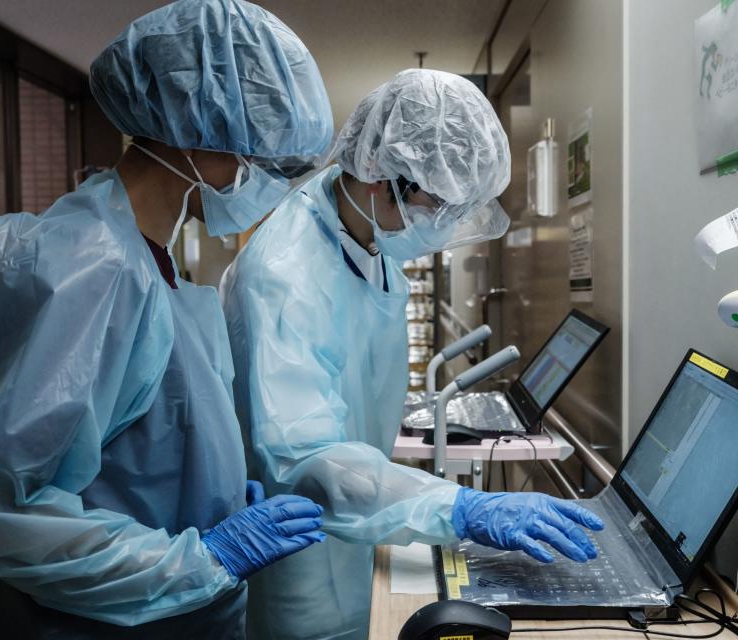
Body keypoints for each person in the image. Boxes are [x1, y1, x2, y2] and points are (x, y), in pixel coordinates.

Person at [0, 1, 333, 638]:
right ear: (195, 132)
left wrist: (216, 497)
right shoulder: (93, 266)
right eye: (259, 154)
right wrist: (204, 556)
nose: (267, 179)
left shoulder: (151, 261)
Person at [221, 69, 606, 640]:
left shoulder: (364, 236)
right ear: (380, 173)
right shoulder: (284, 276)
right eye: (440, 202)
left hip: (362, 522)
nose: (445, 222)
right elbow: (306, 462)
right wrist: (461, 509)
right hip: (304, 555)